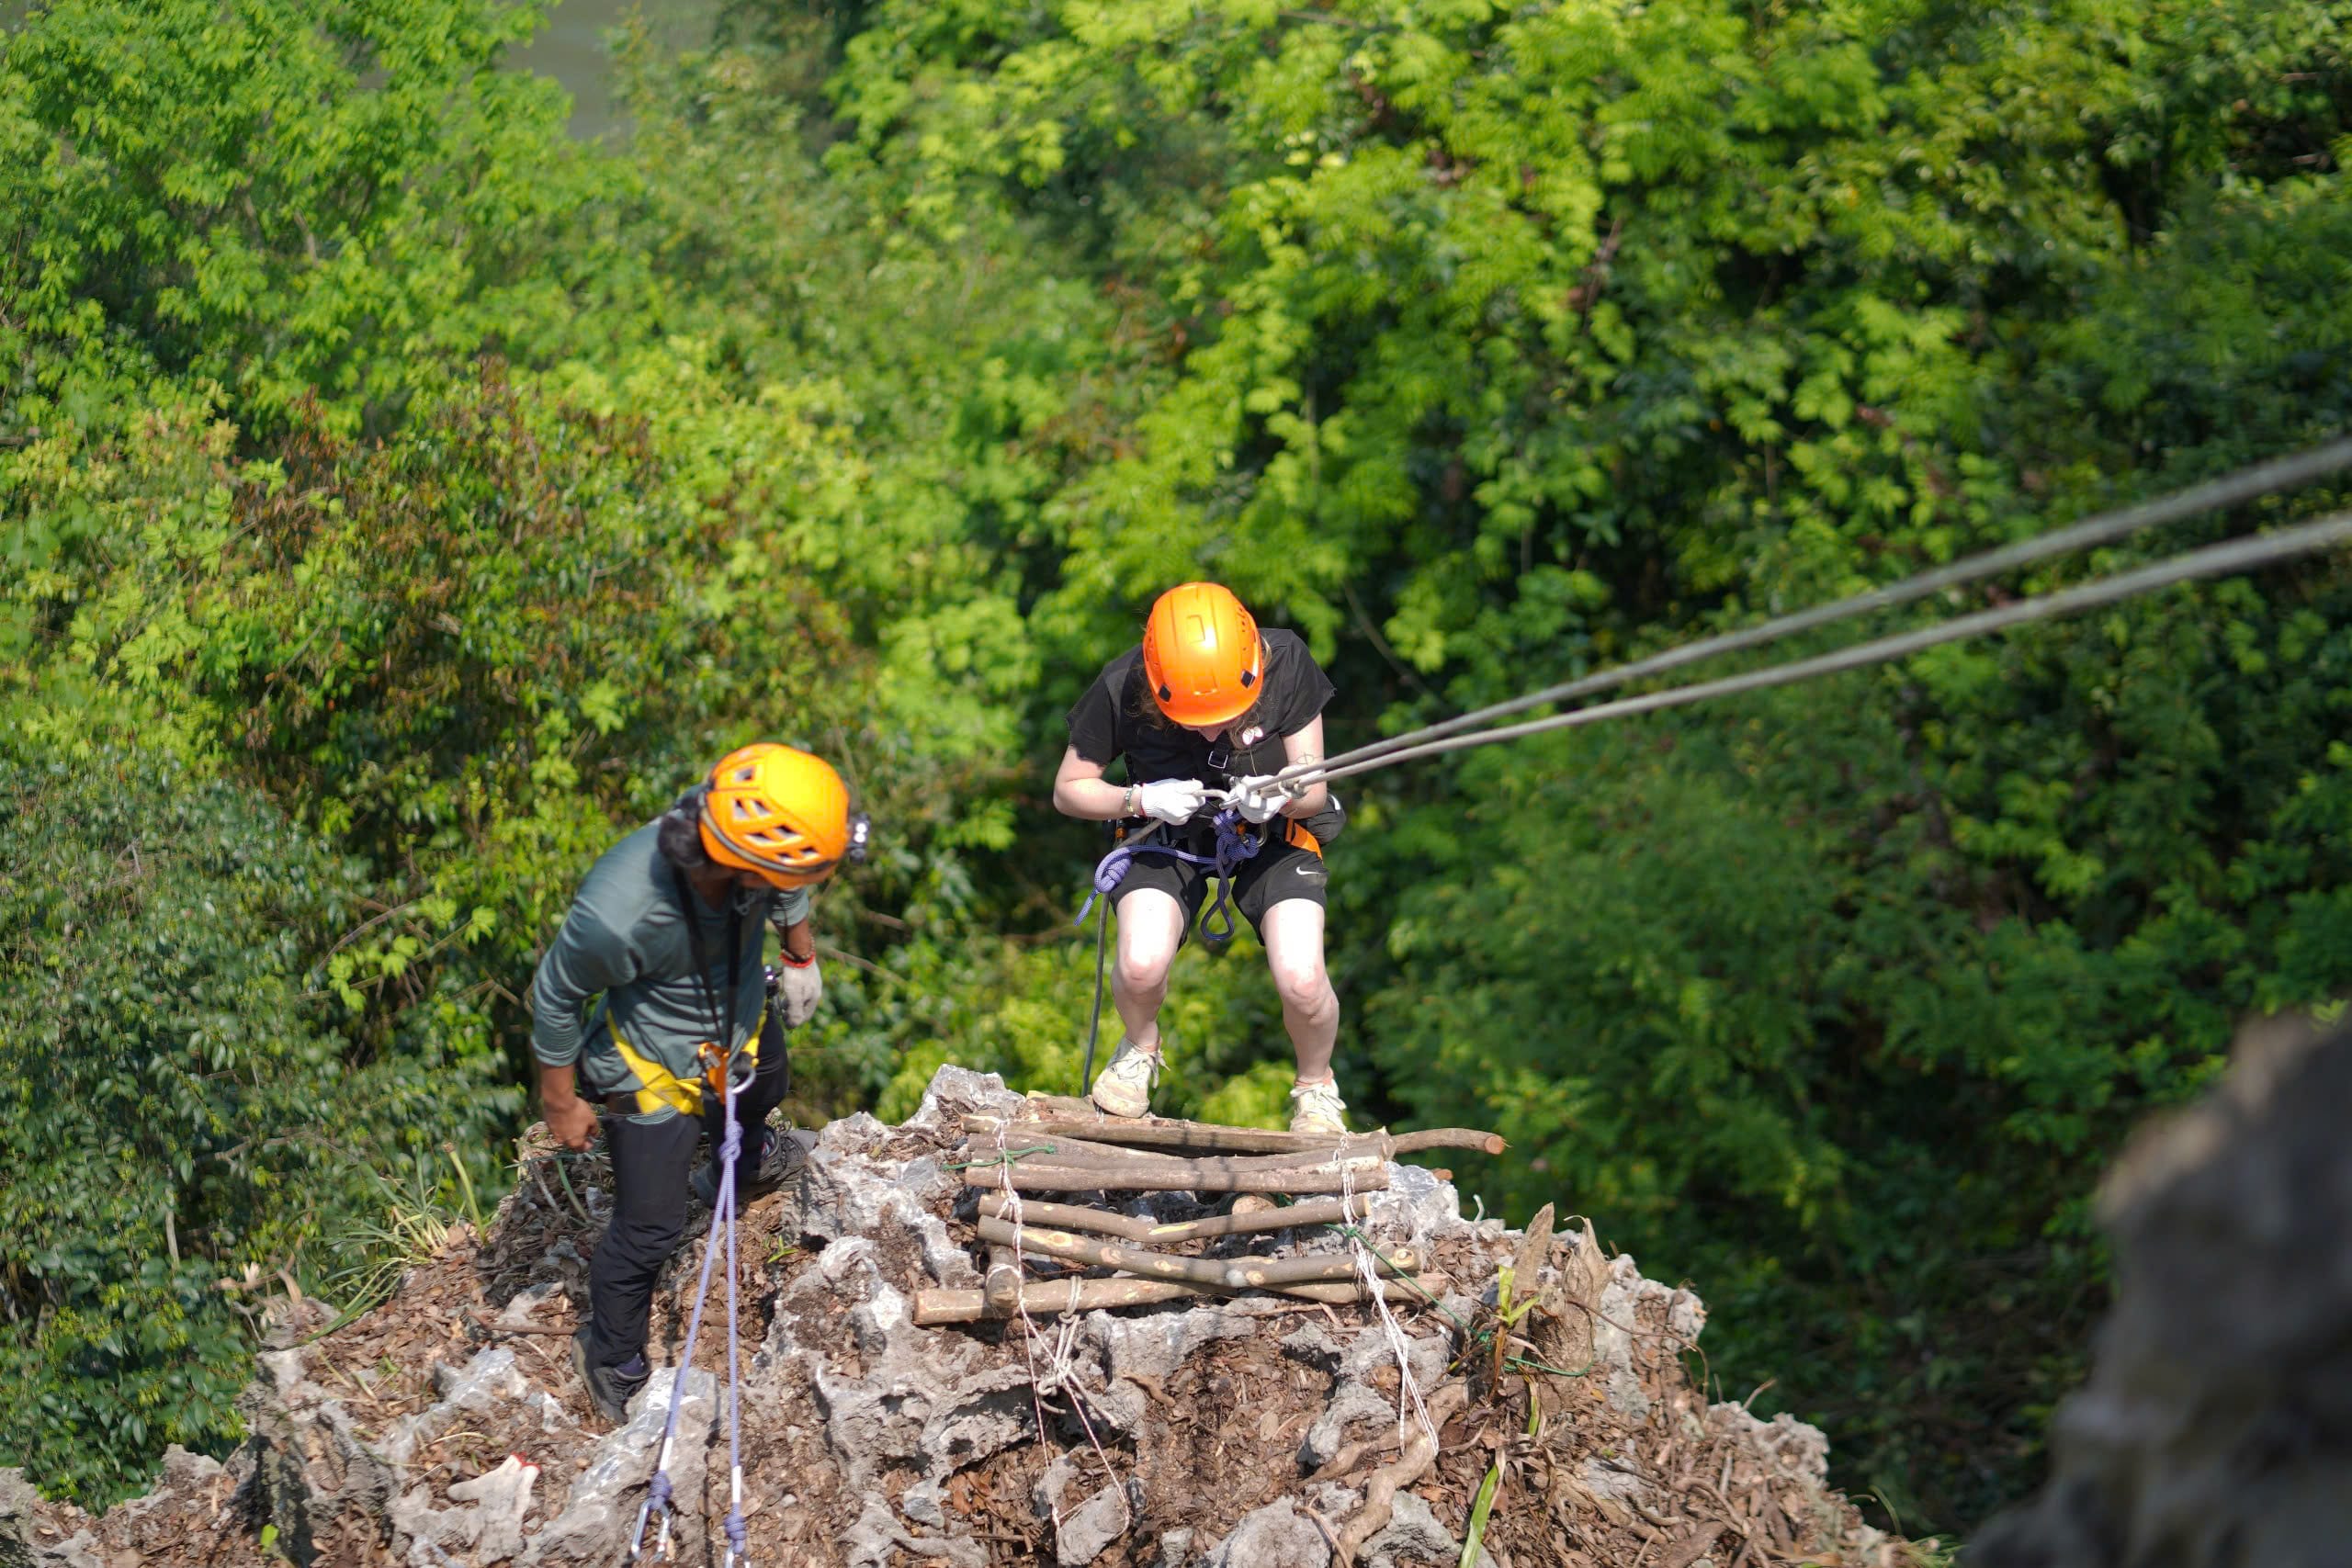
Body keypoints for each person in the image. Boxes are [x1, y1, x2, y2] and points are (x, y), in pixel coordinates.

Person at [532, 742, 866, 1424]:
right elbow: (556, 996)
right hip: (651, 1066)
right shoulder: (619, 909)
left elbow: (789, 879)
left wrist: (799, 955)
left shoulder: (745, 838)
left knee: (767, 1085)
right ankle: (610, 1354)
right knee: (649, 1230)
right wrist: (560, 1101)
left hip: (736, 1018)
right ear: (744, 859)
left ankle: (737, 1162)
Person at [1053, 581, 1350, 1134]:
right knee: (1140, 965)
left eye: (1225, 713)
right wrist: (1137, 798)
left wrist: (1279, 794)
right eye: (1196, 716)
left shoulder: (1286, 663)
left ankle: (1316, 1087)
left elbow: (1313, 790)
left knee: (1303, 979)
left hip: (1271, 835)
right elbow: (1069, 788)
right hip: (1166, 833)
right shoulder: (1122, 685)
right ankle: (1141, 1047)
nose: (1213, 728)